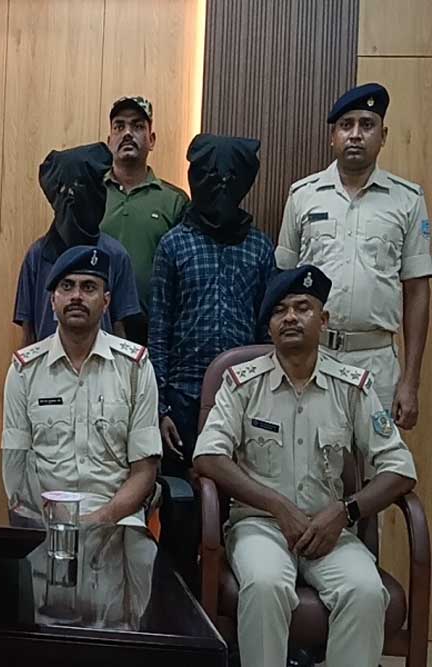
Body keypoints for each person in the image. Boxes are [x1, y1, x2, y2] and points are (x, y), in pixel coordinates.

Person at [193, 266, 417, 667]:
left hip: (330, 530)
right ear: (269, 326)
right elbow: (208, 456)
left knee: (366, 592)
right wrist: (278, 506)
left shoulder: (352, 386)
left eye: (303, 307)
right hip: (260, 526)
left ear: (324, 319)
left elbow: (399, 469)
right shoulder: (242, 383)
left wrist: (346, 511)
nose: (291, 317)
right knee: (265, 586)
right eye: (280, 311)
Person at [276, 82, 432, 430]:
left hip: (376, 361)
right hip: (312, 356)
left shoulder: (407, 200)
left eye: (367, 125)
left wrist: (411, 382)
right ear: (332, 136)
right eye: (346, 125)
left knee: (377, 460)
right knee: (309, 454)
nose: (356, 135)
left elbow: (418, 292)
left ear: (383, 135)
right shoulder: (303, 195)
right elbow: (282, 283)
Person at [3, 245, 160, 526]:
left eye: (88, 287)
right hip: (44, 517)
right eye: (67, 286)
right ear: (53, 301)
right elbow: (15, 468)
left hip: (118, 517)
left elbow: (144, 470)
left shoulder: (135, 368)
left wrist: (100, 518)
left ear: (106, 301)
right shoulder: (24, 371)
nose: (76, 296)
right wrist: (55, 519)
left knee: (140, 551)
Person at [149, 133, 275, 474]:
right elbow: (158, 332)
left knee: (242, 489)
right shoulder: (174, 245)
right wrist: (161, 409)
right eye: (212, 179)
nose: (220, 188)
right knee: (182, 493)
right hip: (183, 395)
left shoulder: (260, 248)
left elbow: (267, 333)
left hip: (244, 393)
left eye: (229, 180)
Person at [14, 142, 142, 347]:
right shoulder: (37, 255)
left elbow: (120, 330)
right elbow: (28, 333)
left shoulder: (115, 255)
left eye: (81, 188)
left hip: (102, 363)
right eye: (65, 190)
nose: (72, 199)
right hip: (48, 363)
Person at [100, 96, 189, 342]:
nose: (128, 133)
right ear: (109, 141)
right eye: (119, 126)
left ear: (151, 140)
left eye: (138, 126)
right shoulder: (91, 194)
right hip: (96, 327)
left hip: (154, 331)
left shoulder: (174, 201)